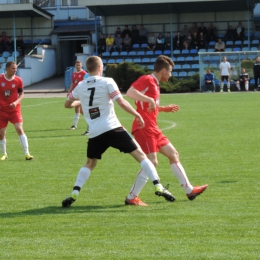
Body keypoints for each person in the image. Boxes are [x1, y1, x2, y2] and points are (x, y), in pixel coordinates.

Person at [62, 56, 175, 207]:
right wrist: (137, 114)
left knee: (89, 163)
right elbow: (121, 101)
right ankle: (158, 186)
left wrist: (81, 100)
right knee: (142, 157)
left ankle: (75, 192)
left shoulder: (80, 86)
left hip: (95, 132)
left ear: (88, 69)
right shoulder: (108, 81)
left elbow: (67, 104)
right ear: (100, 67)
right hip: (112, 128)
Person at [124, 55, 208, 206]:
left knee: (173, 154)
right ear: (163, 71)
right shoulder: (148, 79)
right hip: (144, 127)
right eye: (170, 71)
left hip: (153, 127)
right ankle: (132, 197)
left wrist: (163, 108)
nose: (171, 75)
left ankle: (189, 190)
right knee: (151, 162)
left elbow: (147, 106)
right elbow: (130, 92)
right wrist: (150, 100)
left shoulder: (155, 83)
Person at [0, 61, 33, 161]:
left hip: (14, 110)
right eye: (13, 68)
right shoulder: (0, 79)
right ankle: (4, 153)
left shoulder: (18, 80)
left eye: (16, 68)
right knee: (1, 133)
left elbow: (22, 94)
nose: (15, 70)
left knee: (19, 129)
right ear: (7, 69)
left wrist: (16, 102)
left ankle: (27, 153)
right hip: (2, 110)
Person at [67, 60, 87, 132]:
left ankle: (90, 123)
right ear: (75, 66)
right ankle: (74, 125)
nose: (78, 66)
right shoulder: (74, 73)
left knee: (81, 109)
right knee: (77, 109)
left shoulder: (84, 73)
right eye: (77, 65)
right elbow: (73, 83)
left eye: (79, 65)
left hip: (81, 93)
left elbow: (86, 83)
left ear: (81, 65)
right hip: (75, 93)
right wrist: (69, 91)